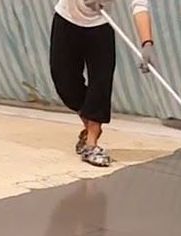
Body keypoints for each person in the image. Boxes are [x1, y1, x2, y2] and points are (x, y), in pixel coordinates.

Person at [50, 0, 154, 168]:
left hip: (100, 27)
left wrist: (147, 43)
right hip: (66, 21)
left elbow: (140, 5)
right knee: (64, 81)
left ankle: (91, 143)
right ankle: (88, 125)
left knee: (100, 83)